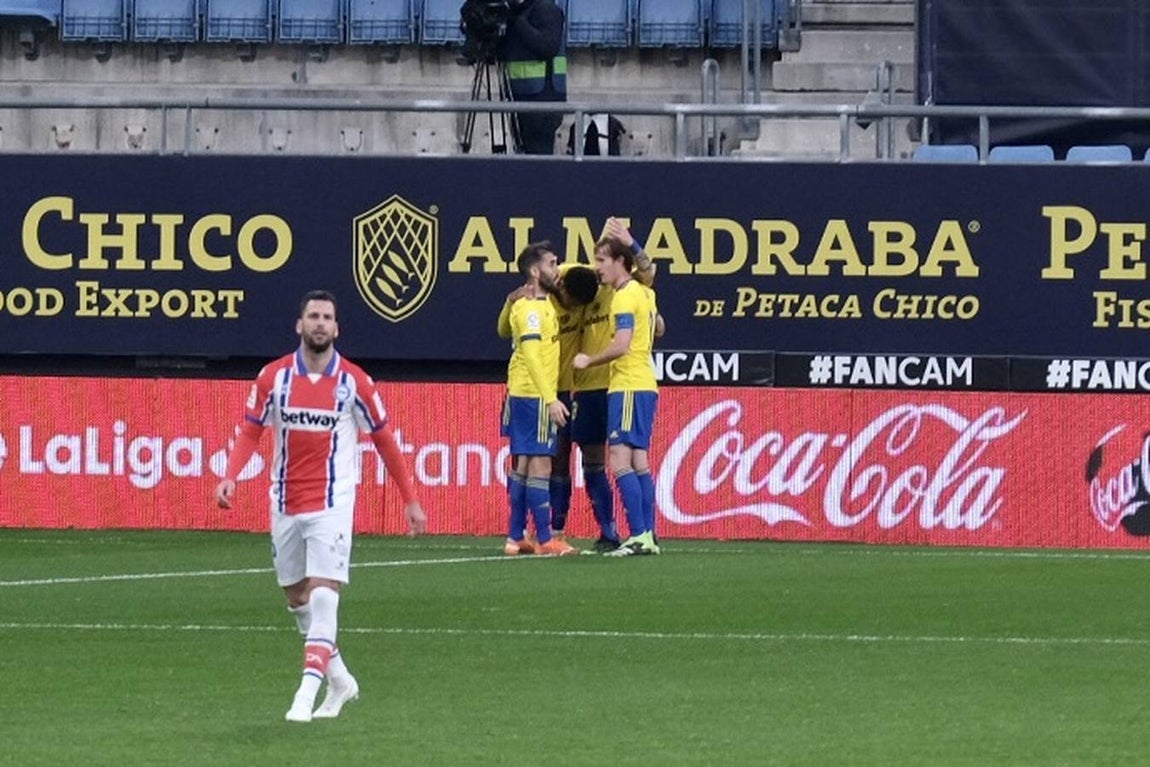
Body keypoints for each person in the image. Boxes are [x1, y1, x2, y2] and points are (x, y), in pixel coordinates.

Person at [214, 290, 427, 723]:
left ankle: (304, 694)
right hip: (284, 502)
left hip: (333, 503)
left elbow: (385, 441)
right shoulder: (273, 377)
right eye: (312, 315)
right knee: (296, 596)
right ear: (299, 325)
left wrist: (410, 500)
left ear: (336, 328)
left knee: (324, 594)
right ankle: (341, 680)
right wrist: (230, 475)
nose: (319, 323)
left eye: (327, 317)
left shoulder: (355, 383)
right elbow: (251, 430)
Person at [571, 218, 657, 552]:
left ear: (621, 262)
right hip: (645, 383)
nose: (597, 268)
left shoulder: (623, 297)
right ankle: (648, 534)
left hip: (628, 383)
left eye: (602, 260)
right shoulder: (644, 292)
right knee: (639, 461)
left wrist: (588, 360)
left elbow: (621, 344)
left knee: (619, 460)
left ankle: (638, 535)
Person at [497, 261, 598, 544]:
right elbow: (516, 342)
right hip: (538, 393)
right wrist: (550, 398)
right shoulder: (532, 302)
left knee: (544, 462)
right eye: (551, 263)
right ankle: (538, 536)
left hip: (550, 390)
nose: (574, 309)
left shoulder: (577, 280)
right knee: (535, 463)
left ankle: (532, 533)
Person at [499, 0, 567, 154]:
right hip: (520, 96)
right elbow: (506, 53)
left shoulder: (546, 9)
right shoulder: (516, 12)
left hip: (544, 98)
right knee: (525, 155)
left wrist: (518, 21)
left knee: (538, 159)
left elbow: (548, 46)